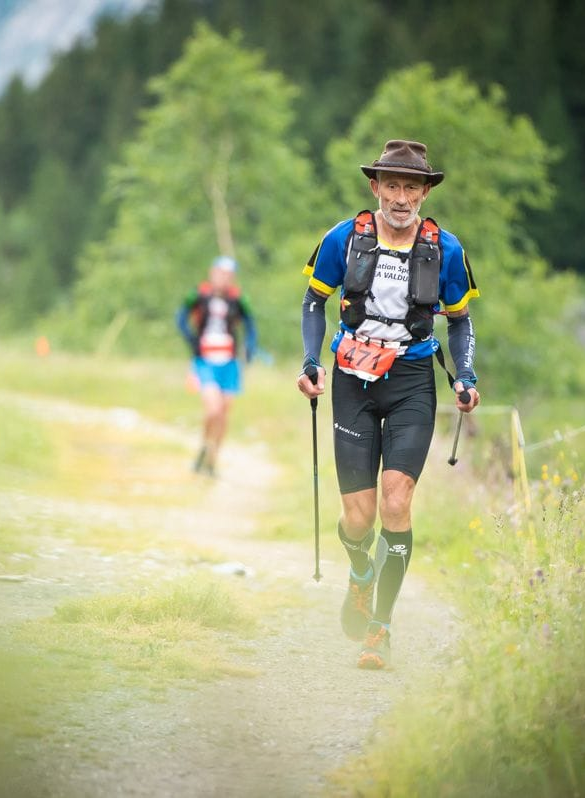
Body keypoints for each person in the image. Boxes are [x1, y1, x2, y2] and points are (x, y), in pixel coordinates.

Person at [295, 139, 480, 669]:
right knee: (359, 518)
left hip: (412, 379)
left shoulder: (445, 248)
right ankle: (359, 571)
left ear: (424, 192)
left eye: (412, 187)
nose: (402, 197)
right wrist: (311, 362)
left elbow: (460, 319)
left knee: (396, 504)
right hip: (352, 378)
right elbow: (315, 301)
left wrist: (465, 376)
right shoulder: (343, 238)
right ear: (375, 187)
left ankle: (381, 627)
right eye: (392, 186)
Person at [177, 255, 258, 477]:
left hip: (229, 362)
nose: (224, 278)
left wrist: (250, 348)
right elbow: (181, 317)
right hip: (205, 360)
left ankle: (212, 460)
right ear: (212, 273)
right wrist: (191, 339)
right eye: (220, 273)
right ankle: (204, 445)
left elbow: (251, 326)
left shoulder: (238, 299)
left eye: (228, 275)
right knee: (212, 409)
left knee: (223, 414)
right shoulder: (199, 294)